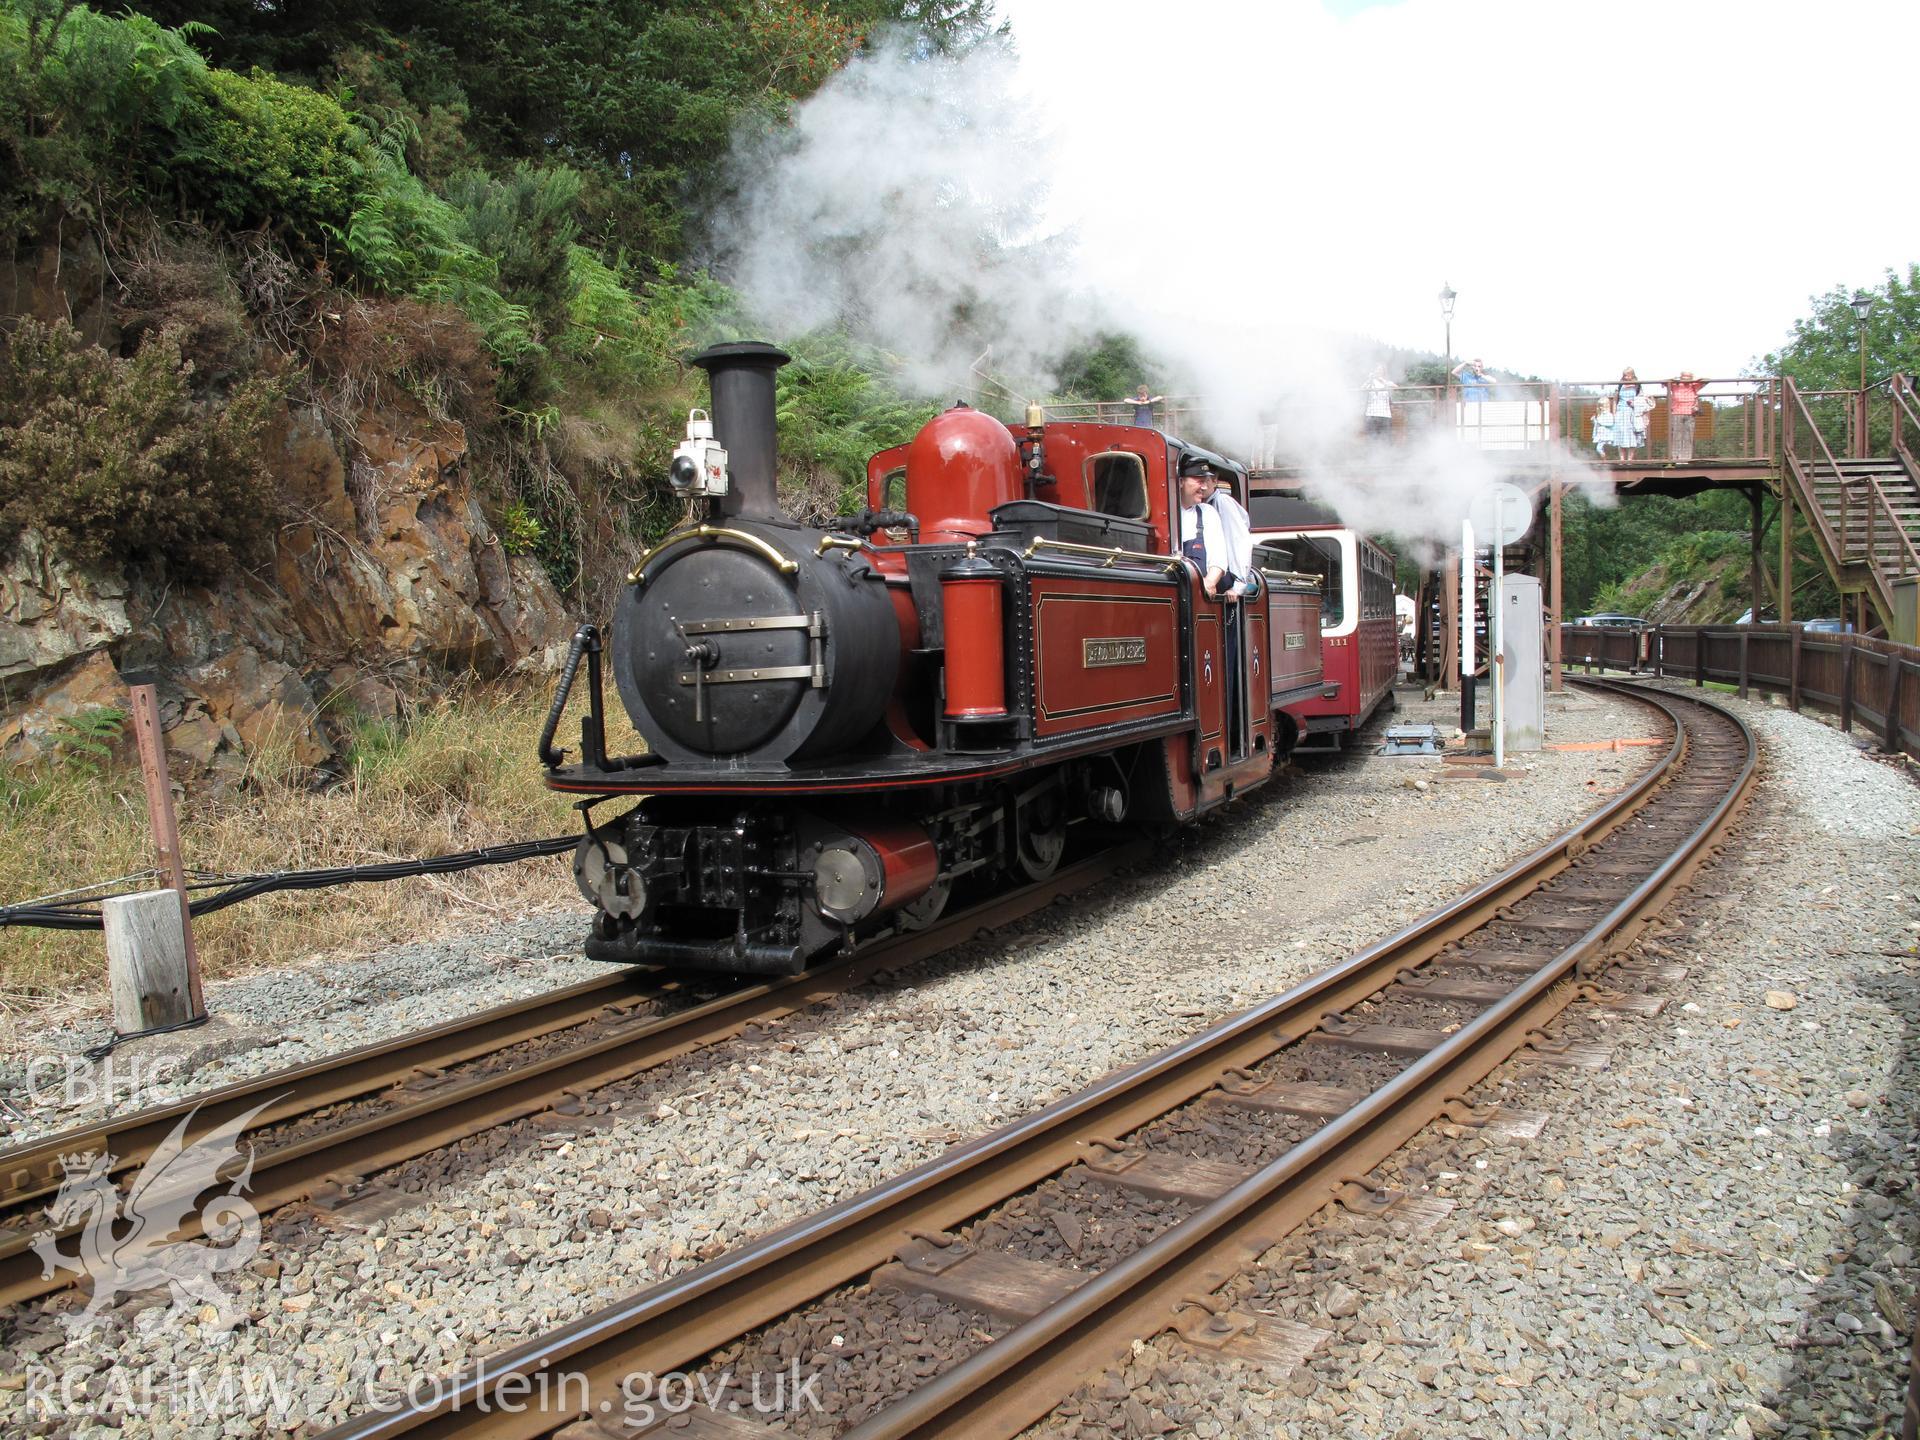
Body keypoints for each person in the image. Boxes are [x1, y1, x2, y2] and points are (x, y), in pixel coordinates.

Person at [1177, 463, 1230, 600]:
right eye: (1199, 481)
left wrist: (1210, 581)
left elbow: (1219, 558)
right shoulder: (1166, 513)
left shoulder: (1207, 512)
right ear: (1181, 481)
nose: (1205, 487)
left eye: (1205, 482)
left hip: (1201, 595)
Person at [1201, 470, 1256, 599]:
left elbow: (1238, 540)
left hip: (1226, 575)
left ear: (1215, 481)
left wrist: (1239, 584)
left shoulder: (1222, 502)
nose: (1202, 486)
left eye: (1205, 480)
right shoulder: (1200, 507)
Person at [1666, 370, 1706, 461]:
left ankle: (1686, 458)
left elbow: (1706, 380)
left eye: (1688, 377)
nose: (1686, 379)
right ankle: (1676, 457)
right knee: (1677, 436)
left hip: (1690, 414)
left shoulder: (1694, 385)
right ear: (1681, 377)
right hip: (1677, 413)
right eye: (1684, 377)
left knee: (1688, 436)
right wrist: (1674, 379)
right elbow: (1664, 381)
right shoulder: (1675, 385)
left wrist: (1696, 380)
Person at [1610, 367, 1642, 460]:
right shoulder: (1620, 385)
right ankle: (1622, 459)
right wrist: (1614, 413)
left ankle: (1630, 459)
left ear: (1632, 375)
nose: (1626, 377)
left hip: (1632, 412)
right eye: (1624, 375)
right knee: (1620, 434)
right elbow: (1615, 400)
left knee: (1632, 434)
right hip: (1621, 412)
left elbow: (1641, 399)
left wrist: (1634, 403)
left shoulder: (1637, 386)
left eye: (1628, 375)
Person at [1363, 363, 1397, 440]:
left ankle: (1385, 452)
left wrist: (1383, 381)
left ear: (1384, 372)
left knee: (1386, 438)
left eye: (1381, 370)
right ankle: (1373, 452)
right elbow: (1362, 389)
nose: (1378, 371)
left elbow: (1396, 387)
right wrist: (1369, 379)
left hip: (1385, 414)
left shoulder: (1387, 382)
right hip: (1371, 413)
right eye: (1377, 370)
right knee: (1371, 438)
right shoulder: (1370, 382)